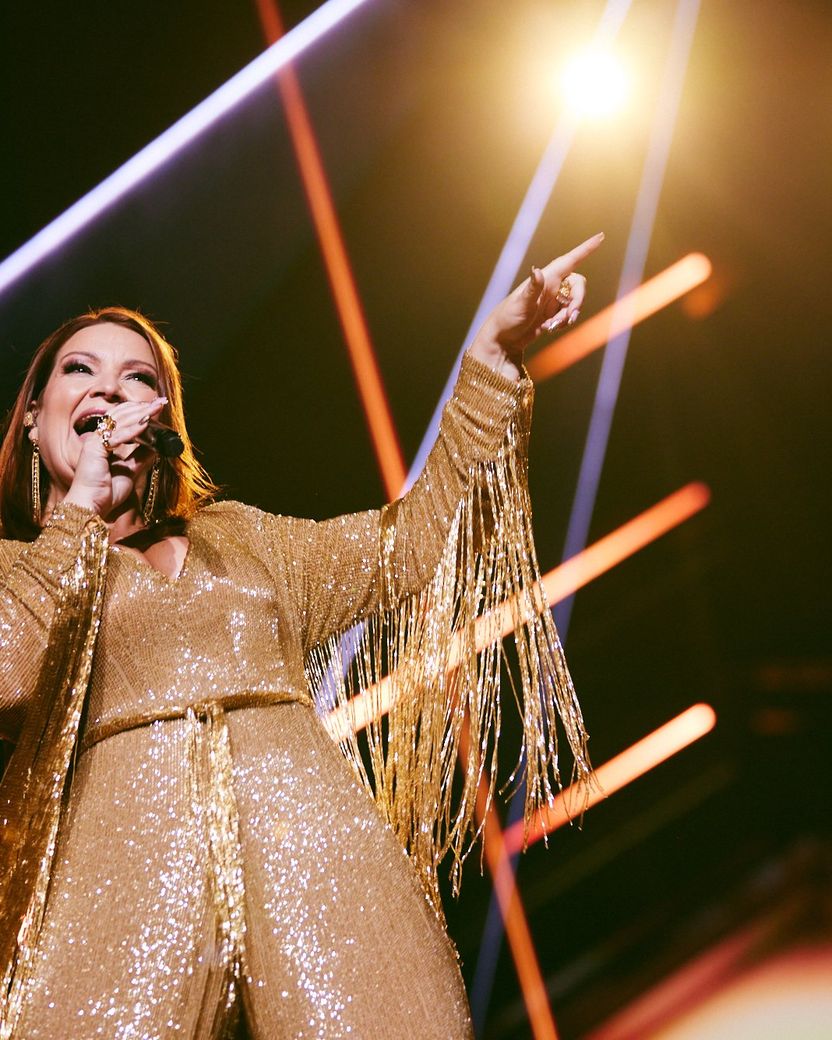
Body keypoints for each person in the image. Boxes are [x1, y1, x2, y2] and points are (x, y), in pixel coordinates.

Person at [0, 234, 601, 1039]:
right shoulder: (19, 571)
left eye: (138, 377)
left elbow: (409, 546)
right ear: (35, 418)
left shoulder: (243, 541)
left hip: (315, 849)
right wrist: (80, 512)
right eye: (81, 371)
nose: (111, 388)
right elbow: (11, 667)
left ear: (161, 421)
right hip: (119, 887)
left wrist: (491, 355)